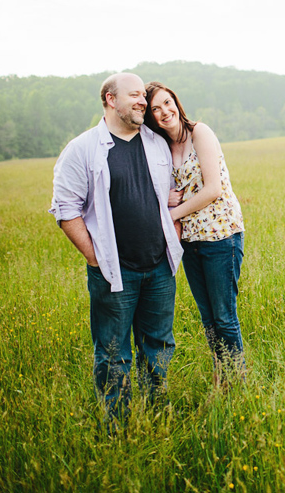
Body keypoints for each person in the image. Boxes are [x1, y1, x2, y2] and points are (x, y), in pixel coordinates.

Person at [49, 73, 183, 426]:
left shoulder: (156, 143)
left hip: (159, 267)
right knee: (113, 354)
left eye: (144, 96)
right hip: (113, 271)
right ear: (111, 99)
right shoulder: (82, 149)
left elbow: (171, 194)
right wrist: (96, 258)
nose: (143, 101)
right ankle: (118, 425)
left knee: (159, 347)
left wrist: (176, 239)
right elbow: (65, 209)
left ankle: (157, 414)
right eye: (135, 95)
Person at [144, 81, 246, 381]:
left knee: (225, 318)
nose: (164, 112)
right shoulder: (161, 147)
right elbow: (165, 188)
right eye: (155, 109)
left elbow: (213, 189)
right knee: (208, 319)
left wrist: (170, 214)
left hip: (220, 237)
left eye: (167, 102)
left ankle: (236, 379)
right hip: (190, 242)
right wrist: (166, 199)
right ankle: (221, 375)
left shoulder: (199, 132)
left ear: (176, 101)